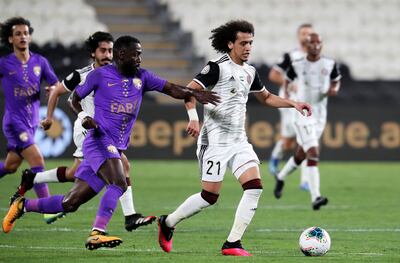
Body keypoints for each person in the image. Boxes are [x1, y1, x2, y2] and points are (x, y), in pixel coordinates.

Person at [3, 35, 220, 250]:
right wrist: (82, 117)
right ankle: (98, 232)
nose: (139, 59)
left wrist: (194, 93)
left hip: (114, 145)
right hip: (98, 140)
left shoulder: (142, 76)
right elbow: (73, 99)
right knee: (118, 182)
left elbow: (172, 88)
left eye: (141, 55)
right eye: (136, 55)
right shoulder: (99, 75)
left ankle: (23, 205)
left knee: (70, 203)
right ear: (121, 55)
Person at [157, 20, 312, 256]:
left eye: (250, 42)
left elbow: (267, 97)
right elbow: (188, 92)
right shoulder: (217, 67)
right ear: (230, 44)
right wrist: (193, 117)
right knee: (209, 196)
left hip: (239, 141)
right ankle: (167, 223)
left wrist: (293, 103)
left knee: (255, 187)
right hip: (214, 142)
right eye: (243, 43)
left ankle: (232, 243)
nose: (248, 47)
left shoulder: (250, 72)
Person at [14, 31, 156, 231]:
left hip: (104, 133)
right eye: (103, 51)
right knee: (121, 168)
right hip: (88, 131)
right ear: (93, 53)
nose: (107, 55)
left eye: (110, 50)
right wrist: (49, 118)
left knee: (76, 175)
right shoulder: (82, 75)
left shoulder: (118, 74)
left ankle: (34, 179)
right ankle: (128, 217)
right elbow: (57, 91)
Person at [0, 17, 63, 223]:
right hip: (14, 121)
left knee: (10, 166)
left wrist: (51, 89)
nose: (23, 37)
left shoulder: (40, 62)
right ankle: (47, 208)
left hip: (31, 122)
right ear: (10, 39)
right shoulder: (4, 63)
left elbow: (56, 85)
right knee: (37, 160)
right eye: (18, 34)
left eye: (26, 33)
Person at [273, 33, 341, 210]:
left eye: (318, 42)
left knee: (301, 155)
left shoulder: (330, 64)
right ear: (307, 45)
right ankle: (316, 197)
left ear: (322, 44)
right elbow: (287, 80)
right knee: (313, 151)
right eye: (312, 43)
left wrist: (333, 89)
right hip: (303, 114)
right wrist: (288, 98)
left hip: (320, 115)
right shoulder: (297, 64)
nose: (315, 45)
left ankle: (280, 177)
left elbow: (336, 80)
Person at [268, 24, 314, 191]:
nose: (306, 36)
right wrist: (289, 83)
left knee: (307, 139)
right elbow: (273, 75)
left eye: (309, 33)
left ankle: (306, 181)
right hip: (290, 102)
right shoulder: (290, 56)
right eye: (303, 33)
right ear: (298, 36)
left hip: (307, 104)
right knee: (288, 142)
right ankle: (275, 157)